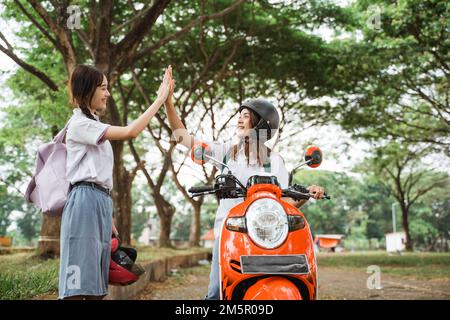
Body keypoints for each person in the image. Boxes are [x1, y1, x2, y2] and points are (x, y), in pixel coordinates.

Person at [163, 66, 325, 299]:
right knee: (216, 293)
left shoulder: (275, 162)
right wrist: (168, 101)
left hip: (267, 234)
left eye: (246, 115)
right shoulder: (227, 154)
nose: (239, 118)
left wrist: (306, 194)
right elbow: (182, 136)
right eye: (239, 114)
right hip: (231, 233)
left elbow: (283, 204)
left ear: (261, 123)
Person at [59, 64, 171, 300]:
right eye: (103, 88)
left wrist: (107, 216)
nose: (107, 94)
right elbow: (130, 132)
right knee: (79, 280)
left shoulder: (93, 124)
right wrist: (160, 100)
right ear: (87, 90)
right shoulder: (80, 124)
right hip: (84, 201)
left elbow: (97, 174)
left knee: (98, 281)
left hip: (98, 201)